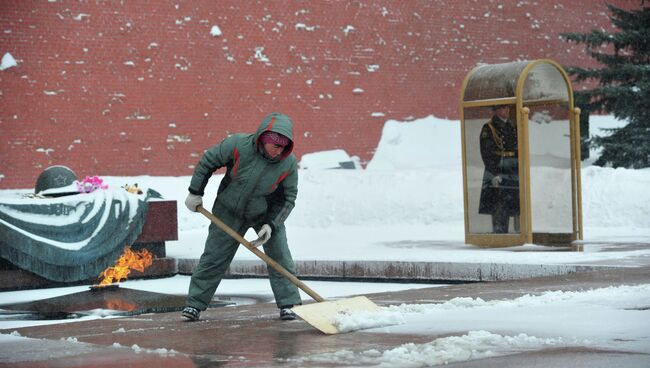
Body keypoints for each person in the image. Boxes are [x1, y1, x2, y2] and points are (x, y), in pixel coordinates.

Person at [182, 112, 302, 321]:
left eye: (284, 147)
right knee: (214, 257)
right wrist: (195, 192)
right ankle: (195, 304)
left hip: (264, 213)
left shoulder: (287, 163)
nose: (279, 151)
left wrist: (271, 225)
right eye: (276, 146)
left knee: (280, 256)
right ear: (264, 138)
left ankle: (289, 304)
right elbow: (208, 162)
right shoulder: (238, 145)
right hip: (228, 210)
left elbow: (288, 198)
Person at [478, 104, 520, 234]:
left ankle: (514, 233)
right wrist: (494, 173)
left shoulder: (512, 126)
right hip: (497, 167)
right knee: (498, 204)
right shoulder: (489, 127)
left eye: (507, 107)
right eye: (502, 108)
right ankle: (499, 234)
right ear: (496, 111)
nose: (506, 110)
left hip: (512, 168)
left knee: (511, 202)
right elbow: (486, 152)